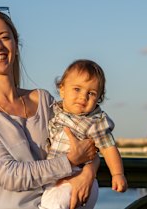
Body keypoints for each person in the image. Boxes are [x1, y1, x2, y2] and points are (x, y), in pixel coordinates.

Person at [0, 8, 99, 209]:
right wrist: (69, 161)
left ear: (15, 46)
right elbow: (9, 175)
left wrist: (88, 174)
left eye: (4, 37)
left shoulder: (43, 100)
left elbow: (91, 141)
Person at [39, 60, 128, 209]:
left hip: (78, 178)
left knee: (51, 205)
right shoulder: (55, 111)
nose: (83, 97)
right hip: (60, 178)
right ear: (62, 90)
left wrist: (118, 174)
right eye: (77, 89)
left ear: (99, 98)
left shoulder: (95, 121)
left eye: (91, 93)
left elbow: (109, 148)